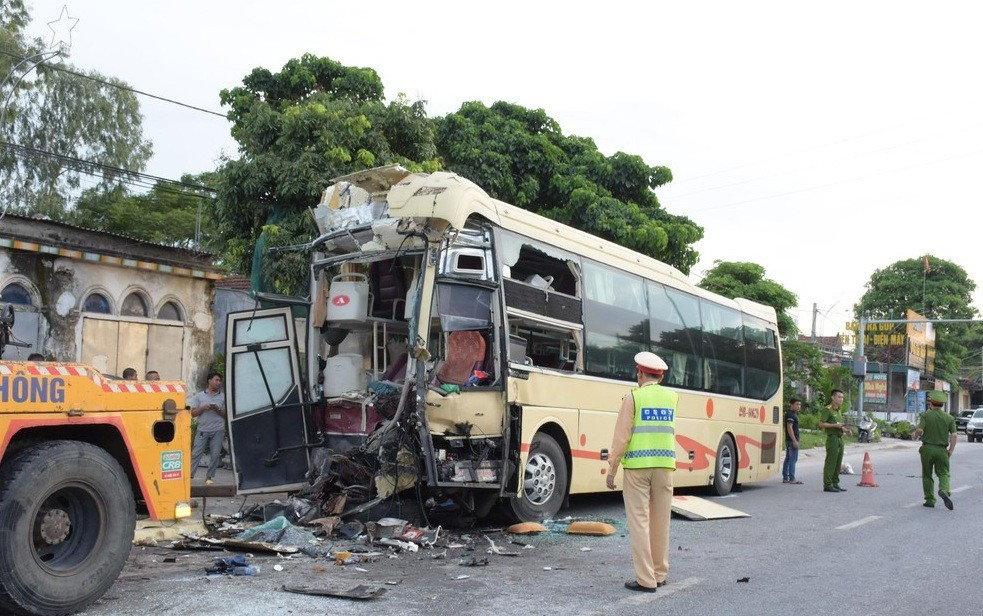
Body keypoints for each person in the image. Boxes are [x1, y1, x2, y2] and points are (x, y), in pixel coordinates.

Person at [606, 351, 677, 593]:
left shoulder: (633, 399)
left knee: (639, 523)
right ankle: (659, 574)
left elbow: (621, 438)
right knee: (661, 522)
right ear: (661, 377)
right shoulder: (672, 397)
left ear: (639, 373)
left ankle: (646, 580)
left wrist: (611, 469)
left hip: (637, 468)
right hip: (665, 468)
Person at [911, 390, 957, 510]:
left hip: (927, 449)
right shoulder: (949, 418)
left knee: (927, 475)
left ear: (931, 403)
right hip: (942, 450)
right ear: (942, 405)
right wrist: (950, 450)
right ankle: (944, 490)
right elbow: (954, 435)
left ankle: (930, 500)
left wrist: (914, 435)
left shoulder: (926, 415)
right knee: (944, 473)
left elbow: (920, 431)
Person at [189, 372, 226, 485]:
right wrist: (203, 408)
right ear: (209, 381)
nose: (218, 383)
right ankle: (189, 475)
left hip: (218, 429)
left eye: (220, 381)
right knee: (196, 453)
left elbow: (226, 415)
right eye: (216, 380)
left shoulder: (223, 396)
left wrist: (217, 409)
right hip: (202, 429)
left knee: (215, 454)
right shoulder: (199, 396)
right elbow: (193, 413)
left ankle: (209, 477)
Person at [818, 389, 851, 492]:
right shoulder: (827, 409)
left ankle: (835, 483)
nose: (841, 399)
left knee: (838, 462)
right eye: (839, 397)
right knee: (831, 462)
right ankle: (827, 484)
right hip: (832, 438)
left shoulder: (839, 410)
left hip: (840, 438)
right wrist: (835, 425)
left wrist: (846, 431)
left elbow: (839, 425)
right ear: (833, 397)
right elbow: (821, 424)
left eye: (842, 397)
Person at [782, 398, 802, 484]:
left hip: (789, 440)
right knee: (793, 459)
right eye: (797, 404)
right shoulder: (791, 415)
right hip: (791, 440)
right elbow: (789, 427)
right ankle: (792, 478)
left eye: (799, 405)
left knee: (788, 458)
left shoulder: (791, 414)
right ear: (792, 404)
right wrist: (794, 440)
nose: (799, 406)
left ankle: (785, 477)